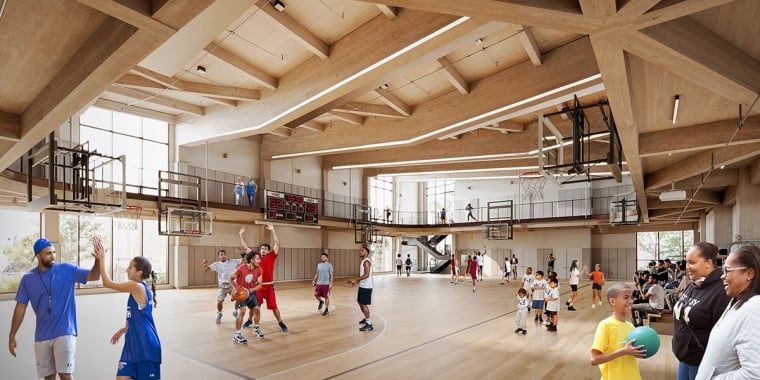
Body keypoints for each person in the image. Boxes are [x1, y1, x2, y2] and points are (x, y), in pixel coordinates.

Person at [9, 237, 101, 380]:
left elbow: (94, 275)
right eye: (48, 253)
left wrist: (98, 260)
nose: (53, 256)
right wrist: (12, 335)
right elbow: (20, 307)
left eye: (54, 252)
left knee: (65, 374)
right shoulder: (28, 279)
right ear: (38, 256)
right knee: (48, 377)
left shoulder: (67, 269)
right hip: (42, 335)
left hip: (65, 331)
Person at [92, 237, 161, 379]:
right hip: (132, 344)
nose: (126, 270)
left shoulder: (135, 286)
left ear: (139, 272)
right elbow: (140, 317)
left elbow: (107, 283)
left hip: (145, 346)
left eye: (130, 267)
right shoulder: (137, 289)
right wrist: (123, 329)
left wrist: (101, 259)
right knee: (121, 378)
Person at [696, 245, 760, 379]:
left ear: (750, 273)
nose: (722, 277)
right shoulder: (737, 300)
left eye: (727, 271)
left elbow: (754, 374)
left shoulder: (753, 309)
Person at [672, 242, 730, 380]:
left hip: (702, 363)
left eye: (692, 262)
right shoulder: (693, 284)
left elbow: (723, 333)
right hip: (684, 359)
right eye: (687, 262)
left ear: (708, 263)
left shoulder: (721, 291)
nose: (688, 267)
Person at [239, 223, 288, 335]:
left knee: (274, 307)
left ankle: (280, 322)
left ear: (268, 250)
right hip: (258, 287)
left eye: (265, 249)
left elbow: (277, 243)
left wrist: (272, 229)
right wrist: (241, 235)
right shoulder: (256, 258)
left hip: (269, 286)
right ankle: (250, 320)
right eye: (261, 249)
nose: (263, 250)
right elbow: (246, 247)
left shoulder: (272, 256)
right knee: (254, 307)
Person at [590, 283, 646, 380]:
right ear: (612, 301)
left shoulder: (631, 326)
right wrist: (623, 351)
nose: (631, 301)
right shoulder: (605, 325)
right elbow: (594, 360)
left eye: (631, 297)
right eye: (626, 297)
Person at [230, 251, 263, 343]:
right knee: (242, 311)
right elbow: (231, 278)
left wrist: (250, 290)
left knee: (257, 309)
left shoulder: (259, 269)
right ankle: (237, 334)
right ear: (252, 260)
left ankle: (256, 328)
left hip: (251, 292)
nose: (259, 261)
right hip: (241, 292)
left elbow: (260, 285)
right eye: (257, 259)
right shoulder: (241, 268)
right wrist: (236, 289)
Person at [202, 249, 242, 324]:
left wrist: (241, 253)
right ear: (219, 256)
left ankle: (235, 311)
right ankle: (219, 313)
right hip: (222, 286)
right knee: (219, 302)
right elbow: (207, 269)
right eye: (221, 254)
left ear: (226, 255)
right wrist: (205, 265)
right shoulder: (217, 264)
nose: (223, 256)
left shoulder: (232, 261)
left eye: (224, 254)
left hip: (232, 284)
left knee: (238, 299)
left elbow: (243, 260)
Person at [347, 246, 374, 332]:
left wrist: (355, 279)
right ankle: (366, 319)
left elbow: (367, 274)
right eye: (360, 251)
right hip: (363, 285)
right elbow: (363, 275)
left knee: (363, 304)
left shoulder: (366, 262)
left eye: (362, 251)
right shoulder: (363, 261)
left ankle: (369, 324)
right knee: (359, 302)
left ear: (366, 252)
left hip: (367, 286)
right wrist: (357, 282)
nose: (360, 252)